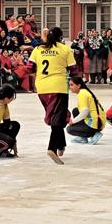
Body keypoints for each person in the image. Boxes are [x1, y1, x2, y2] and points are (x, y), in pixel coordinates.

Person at [28, 27, 76, 165]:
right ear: (61, 37)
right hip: (58, 87)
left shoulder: (37, 49)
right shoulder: (64, 49)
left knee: (57, 116)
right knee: (57, 118)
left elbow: (30, 68)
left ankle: (61, 145)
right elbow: (74, 70)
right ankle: (52, 148)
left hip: (42, 88)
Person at [67, 77, 106, 145]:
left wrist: (72, 121)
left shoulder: (82, 94)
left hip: (96, 123)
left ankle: (94, 134)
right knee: (76, 110)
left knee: (69, 129)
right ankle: (83, 137)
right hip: (99, 121)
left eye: (72, 85)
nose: (70, 87)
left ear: (79, 86)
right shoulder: (84, 91)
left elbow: (84, 113)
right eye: (69, 85)